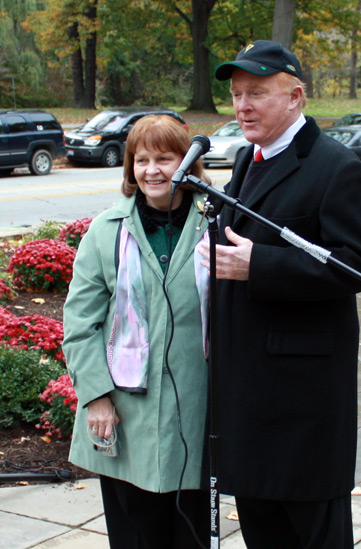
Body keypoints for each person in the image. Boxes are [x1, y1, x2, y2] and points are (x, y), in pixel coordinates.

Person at [199, 40, 361, 548]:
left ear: (296, 96)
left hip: (303, 403)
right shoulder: (245, 160)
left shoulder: (337, 168)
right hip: (248, 395)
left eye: (256, 92)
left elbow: (359, 267)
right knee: (263, 529)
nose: (242, 106)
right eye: (236, 95)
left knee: (313, 533)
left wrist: (261, 264)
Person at [63, 114, 211, 549]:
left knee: (193, 537)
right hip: (127, 415)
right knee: (136, 538)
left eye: (165, 158)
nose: (152, 170)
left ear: (188, 163)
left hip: (198, 413)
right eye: (141, 159)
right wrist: (96, 397)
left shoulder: (214, 224)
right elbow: (80, 324)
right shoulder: (106, 232)